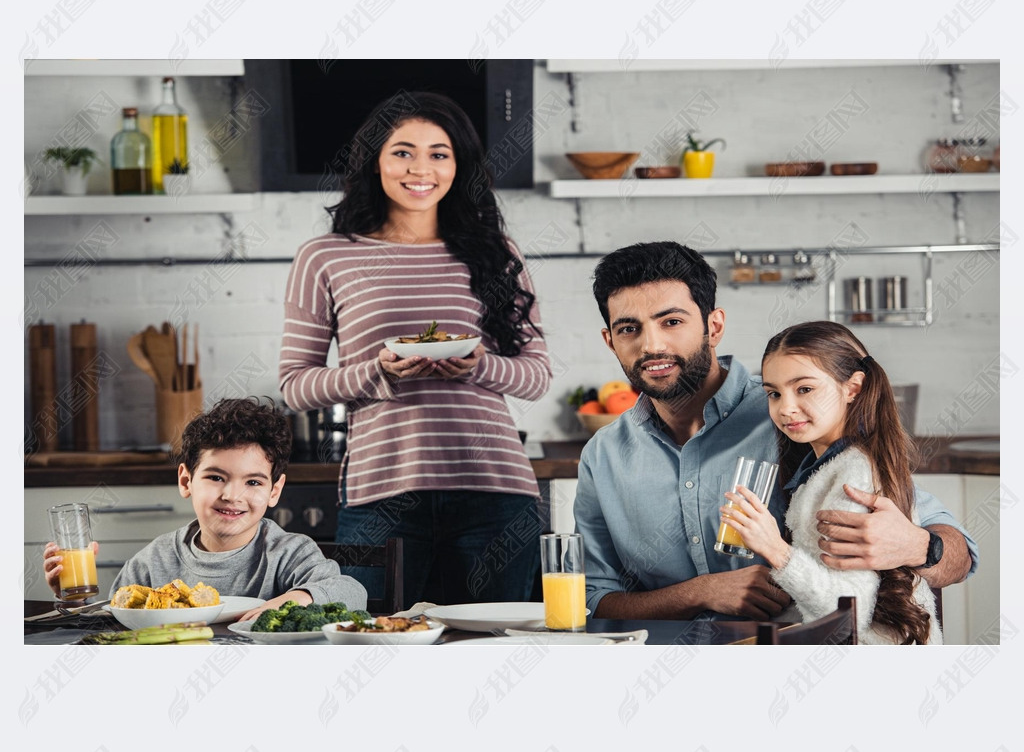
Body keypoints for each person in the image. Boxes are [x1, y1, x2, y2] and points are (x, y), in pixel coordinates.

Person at [573, 242, 977, 623]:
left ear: (714, 327)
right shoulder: (603, 455)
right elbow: (592, 600)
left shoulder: (795, 420)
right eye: (629, 329)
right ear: (610, 341)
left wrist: (918, 546)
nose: (651, 345)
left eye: (672, 321)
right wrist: (698, 592)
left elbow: (960, 555)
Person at [278, 91, 552, 607]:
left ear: (458, 165)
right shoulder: (326, 256)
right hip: (381, 494)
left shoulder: (497, 253)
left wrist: (477, 367)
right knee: (369, 646)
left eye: (438, 153)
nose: (420, 168)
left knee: (492, 651)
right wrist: (375, 372)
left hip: (495, 491)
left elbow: (536, 376)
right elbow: (295, 385)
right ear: (375, 162)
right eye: (402, 151)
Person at [41, 398, 366, 622]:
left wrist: (300, 597)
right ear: (186, 481)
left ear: (274, 491)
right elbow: (113, 618)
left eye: (253, 483)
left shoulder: (289, 554)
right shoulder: (155, 561)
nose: (232, 495)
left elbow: (351, 593)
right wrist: (73, 600)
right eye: (215, 477)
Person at [717, 321, 939, 642]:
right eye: (774, 393)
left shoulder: (854, 477)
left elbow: (849, 613)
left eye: (804, 389)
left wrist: (774, 548)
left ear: (853, 388)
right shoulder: (827, 464)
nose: (786, 408)